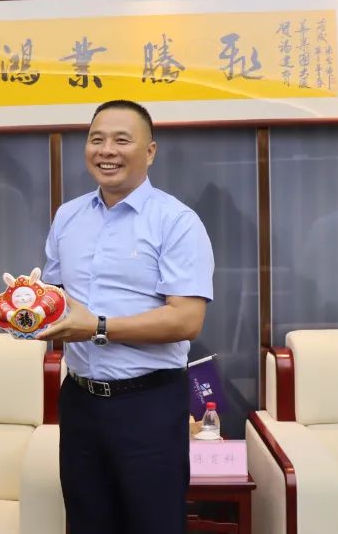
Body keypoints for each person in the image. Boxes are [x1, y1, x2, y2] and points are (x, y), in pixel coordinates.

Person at [37, 99, 215, 534]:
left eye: (121, 140)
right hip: (80, 402)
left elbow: (186, 320)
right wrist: (23, 307)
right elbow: (56, 299)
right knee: (87, 523)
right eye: (96, 139)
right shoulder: (68, 216)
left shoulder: (176, 221)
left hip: (149, 404)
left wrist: (98, 328)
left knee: (154, 524)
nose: (106, 150)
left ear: (149, 152)